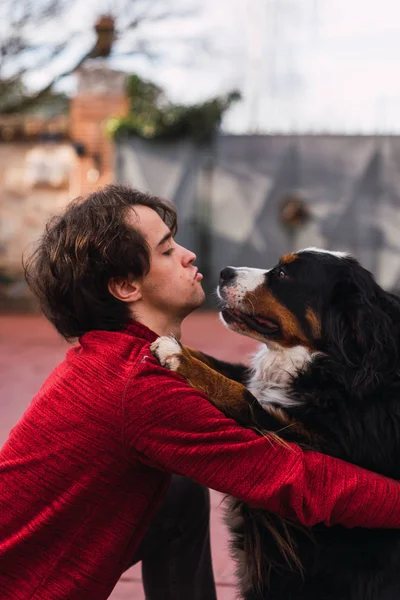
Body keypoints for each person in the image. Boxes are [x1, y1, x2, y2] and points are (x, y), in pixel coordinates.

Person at [1, 184, 400, 600]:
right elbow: (297, 481)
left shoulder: (119, 358)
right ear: (125, 287)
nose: (188, 254)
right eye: (167, 250)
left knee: (179, 493)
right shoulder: (136, 388)